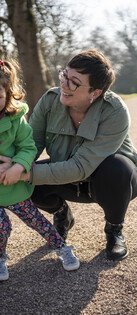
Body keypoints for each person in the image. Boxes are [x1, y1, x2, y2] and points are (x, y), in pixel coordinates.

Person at [19, 49, 137, 261]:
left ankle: (114, 230)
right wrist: (15, 168)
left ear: (94, 92)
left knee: (115, 167)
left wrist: (24, 174)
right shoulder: (50, 101)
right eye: (64, 75)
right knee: (27, 179)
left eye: (74, 82)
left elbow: (81, 167)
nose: (64, 85)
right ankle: (62, 215)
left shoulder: (115, 111)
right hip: (70, 176)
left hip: (113, 182)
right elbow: (30, 145)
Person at [0, 58, 80, 281]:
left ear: (7, 95)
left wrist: (18, 166)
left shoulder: (17, 121)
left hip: (14, 184)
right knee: (1, 227)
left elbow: (28, 147)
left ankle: (62, 247)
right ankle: (0, 257)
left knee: (37, 221)